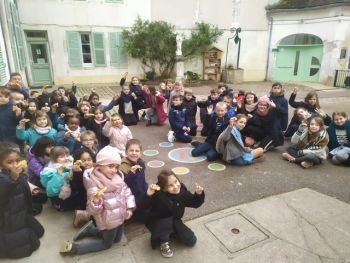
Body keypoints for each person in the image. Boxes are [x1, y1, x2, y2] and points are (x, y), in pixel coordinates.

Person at [59, 146, 135, 255]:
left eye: (117, 167)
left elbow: (127, 192)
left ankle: (91, 229)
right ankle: (74, 248)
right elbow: (92, 211)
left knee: (117, 240)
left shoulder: (118, 178)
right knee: (107, 244)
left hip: (121, 215)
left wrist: (130, 208)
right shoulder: (93, 182)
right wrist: (96, 202)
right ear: (99, 166)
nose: (114, 170)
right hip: (107, 220)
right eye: (110, 166)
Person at [139, 170, 204, 258]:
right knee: (164, 229)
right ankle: (163, 241)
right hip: (159, 221)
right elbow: (143, 207)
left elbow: (194, 203)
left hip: (174, 220)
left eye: (176, 181)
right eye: (170, 185)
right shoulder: (157, 195)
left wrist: (198, 194)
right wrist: (148, 195)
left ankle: (172, 232)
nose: (175, 186)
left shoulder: (182, 192)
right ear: (163, 189)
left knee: (191, 240)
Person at [0, 142, 44, 259]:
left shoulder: (16, 173)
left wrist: (31, 189)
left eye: (17, 161)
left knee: (40, 232)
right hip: (10, 215)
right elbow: (3, 194)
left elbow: (22, 183)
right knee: (30, 245)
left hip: (24, 210)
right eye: (9, 162)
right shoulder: (4, 177)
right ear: (1, 164)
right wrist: (13, 179)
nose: (15, 165)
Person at [40, 146, 80, 210]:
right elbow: (51, 192)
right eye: (62, 157)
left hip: (69, 192)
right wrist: (58, 175)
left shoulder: (69, 165)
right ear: (54, 159)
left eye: (67, 155)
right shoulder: (49, 172)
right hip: (58, 197)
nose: (66, 158)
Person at [119, 139, 148, 219]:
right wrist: (131, 173)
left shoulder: (141, 162)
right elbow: (125, 184)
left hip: (142, 191)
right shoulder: (123, 166)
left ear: (140, 153)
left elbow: (142, 178)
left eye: (137, 151)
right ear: (126, 152)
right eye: (131, 150)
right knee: (141, 215)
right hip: (132, 196)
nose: (134, 153)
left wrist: (146, 187)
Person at [72, 149, 95, 227]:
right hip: (85, 199)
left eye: (89, 159)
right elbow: (78, 187)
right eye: (84, 160)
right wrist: (77, 173)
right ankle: (81, 215)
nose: (87, 162)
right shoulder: (78, 171)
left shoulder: (94, 169)